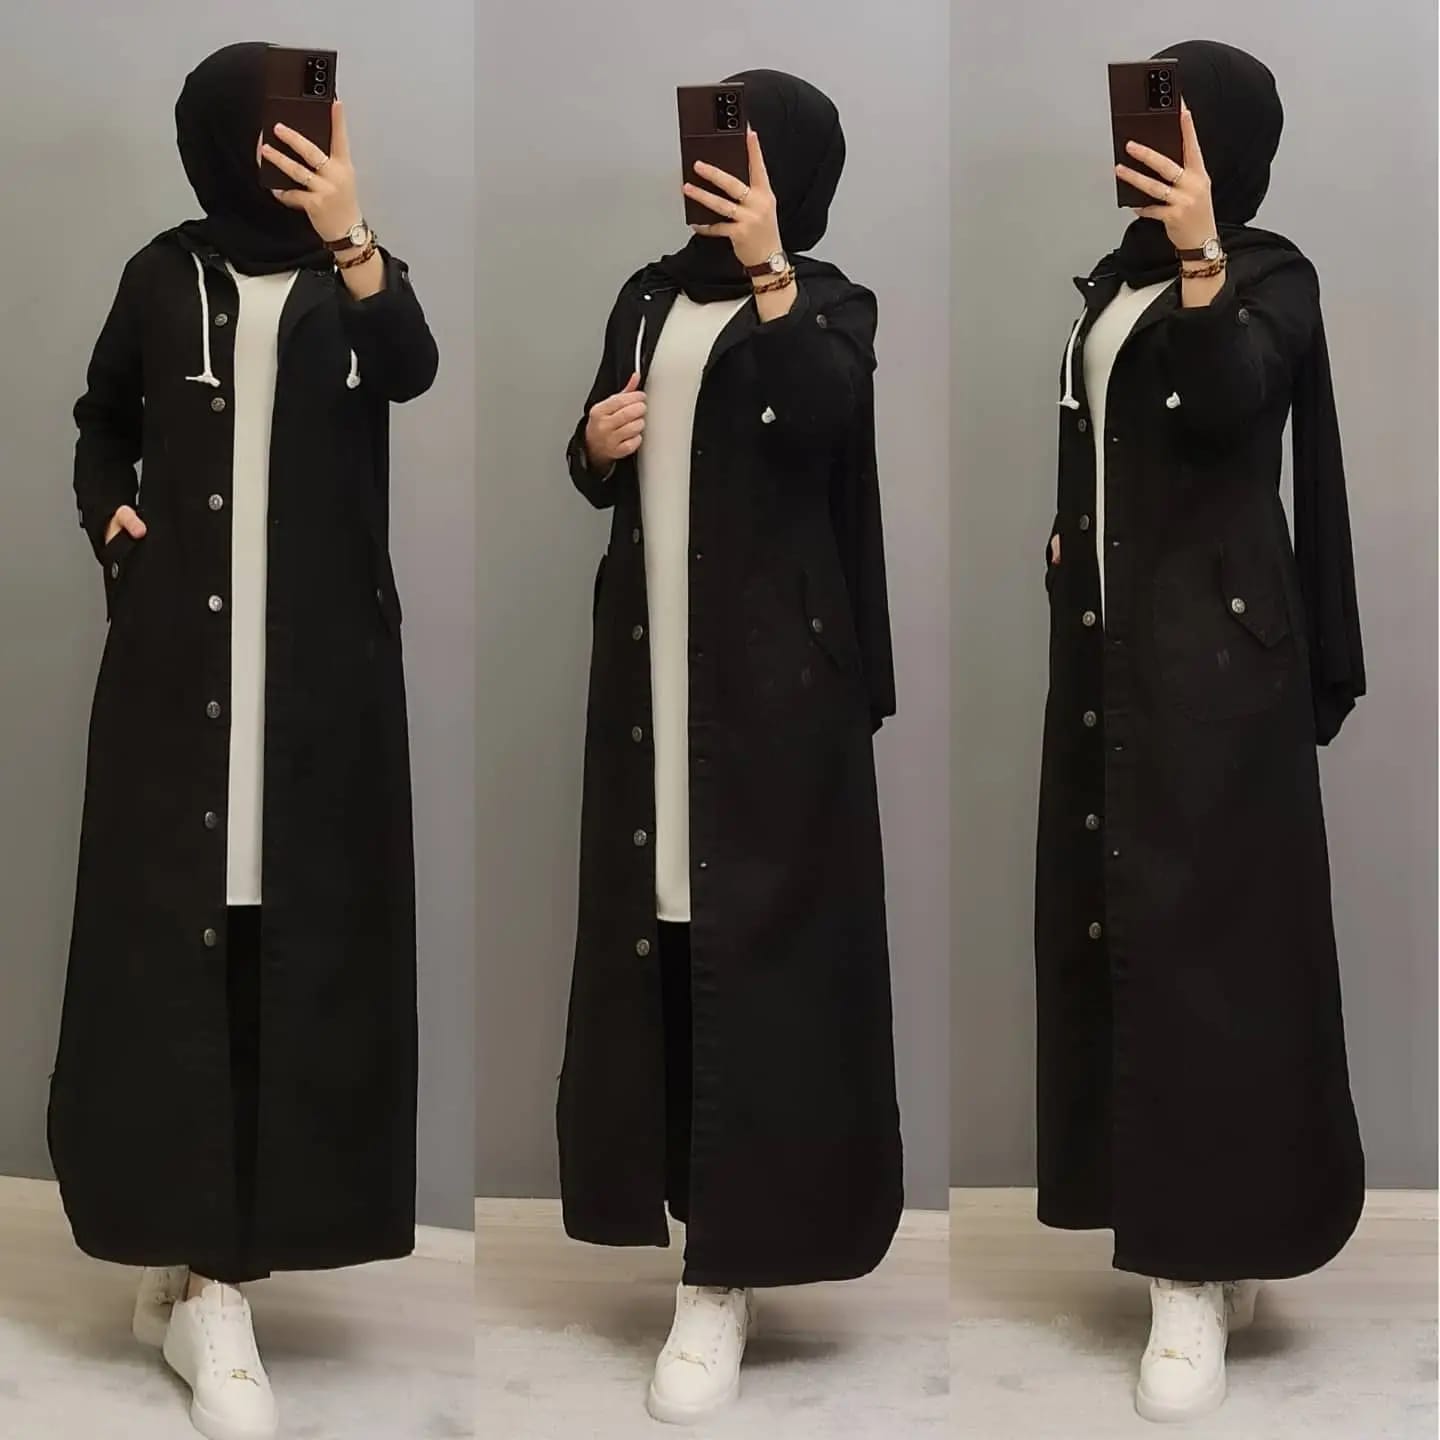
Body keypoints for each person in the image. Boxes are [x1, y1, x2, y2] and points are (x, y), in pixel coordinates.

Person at [48, 41, 437, 1440]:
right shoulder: (163, 277)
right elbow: (101, 423)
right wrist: (113, 521)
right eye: (273, 124)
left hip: (321, 689)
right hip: (177, 680)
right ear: (221, 138)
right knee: (176, 949)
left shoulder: (357, 276)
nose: (299, 142)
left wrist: (351, 232)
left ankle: (205, 1263)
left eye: (318, 119)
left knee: (286, 943)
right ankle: (206, 1284)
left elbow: (412, 368)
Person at [556, 69, 902, 1425]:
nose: (714, 178)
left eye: (747, 159)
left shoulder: (828, 303)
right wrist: (593, 444)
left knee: (760, 955)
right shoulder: (646, 299)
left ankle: (726, 1277)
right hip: (653, 687)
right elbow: (599, 467)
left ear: (793, 175)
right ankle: (695, 1227)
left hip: (772, 700)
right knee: (670, 940)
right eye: (709, 154)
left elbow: (825, 420)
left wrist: (768, 270)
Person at [1034, 39, 1366, 1423]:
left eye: (1177, 121)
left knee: (1212, 961)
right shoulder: (1111, 283)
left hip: (1219, 674)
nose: (1146, 142)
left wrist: (1204, 251)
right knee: (1126, 941)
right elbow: (1104, 439)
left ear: (1223, 143)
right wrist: (1068, 539)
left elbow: (1233, 401)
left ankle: (1194, 1274)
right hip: (1112, 666)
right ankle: (1190, 1245)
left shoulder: (1268, 275)